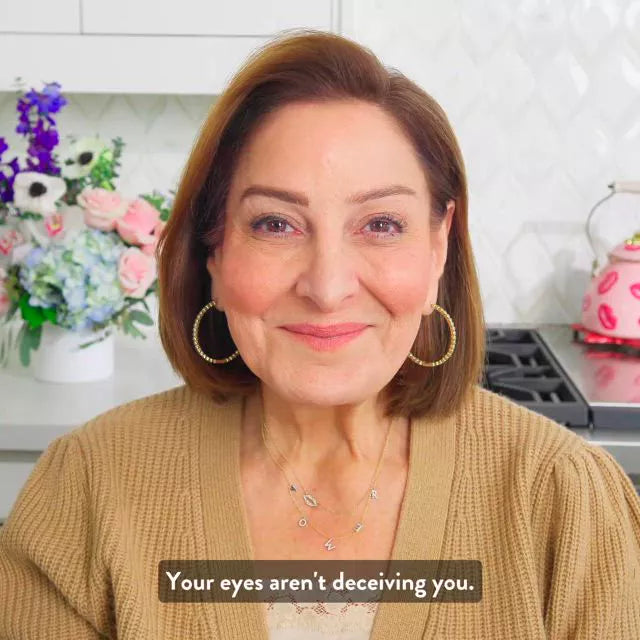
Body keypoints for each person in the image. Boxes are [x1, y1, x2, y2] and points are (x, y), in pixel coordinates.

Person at [1, 29, 639, 640]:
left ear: (439, 248)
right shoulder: (87, 488)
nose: (328, 287)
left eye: (381, 224)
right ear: (213, 253)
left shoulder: (564, 497)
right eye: (276, 224)